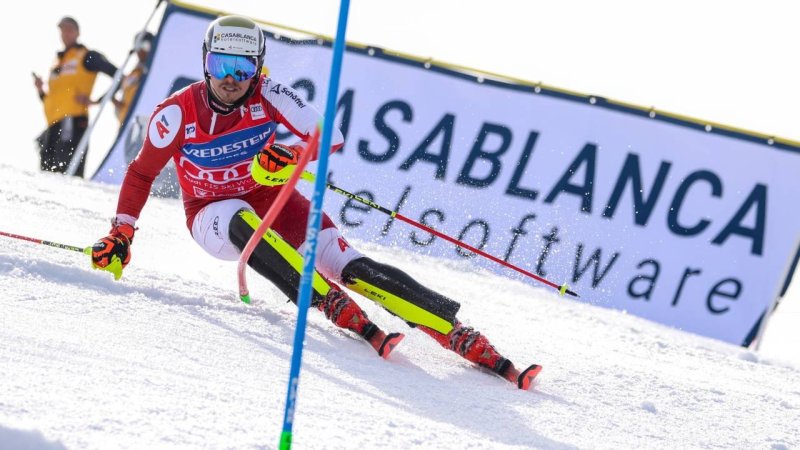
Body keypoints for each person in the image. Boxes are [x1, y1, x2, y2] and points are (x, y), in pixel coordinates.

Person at [90, 15, 540, 390]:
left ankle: (457, 333)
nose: (231, 79)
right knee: (240, 216)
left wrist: (288, 160)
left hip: (277, 201)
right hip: (213, 216)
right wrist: (122, 233)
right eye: (221, 64)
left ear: (259, 69)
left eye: (243, 68)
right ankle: (330, 304)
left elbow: (330, 136)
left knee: (351, 264)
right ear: (205, 64)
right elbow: (141, 173)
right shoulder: (176, 113)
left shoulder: (269, 93)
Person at [33, 16, 118, 177]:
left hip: (73, 121)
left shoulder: (86, 56)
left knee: (66, 172)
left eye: (69, 29)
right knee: (46, 172)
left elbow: (118, 74)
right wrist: (40, 90)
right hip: (53, 123)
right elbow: (51, 100)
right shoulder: (57, 61)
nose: (65, 33)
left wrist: (98, 100)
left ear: (78, 32)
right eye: (62, 30)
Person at [112, 31, 155, 125]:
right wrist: (116, 103)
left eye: (145, 46)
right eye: (138, 47)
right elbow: (123, 97)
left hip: (146, 122)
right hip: (128, 125)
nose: (141, 51)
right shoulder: (133, 74)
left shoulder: (155, 69)